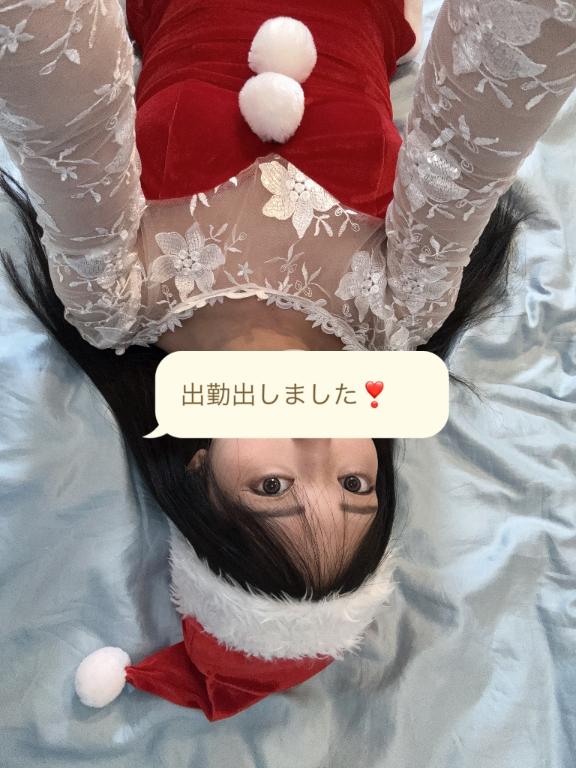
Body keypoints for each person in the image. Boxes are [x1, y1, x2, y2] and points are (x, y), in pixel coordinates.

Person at [0, 0, 574, 719]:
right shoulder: (402, 309)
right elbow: (488, 115)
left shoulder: (113, 299)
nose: (317, 443)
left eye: (273, 487)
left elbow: (55, 95)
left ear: (198, 469)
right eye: (355, 483)